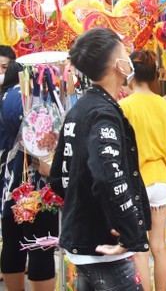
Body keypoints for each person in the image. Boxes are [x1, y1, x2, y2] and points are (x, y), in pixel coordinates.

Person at [50, 28, 150, 291]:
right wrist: (129, 233)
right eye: (126, 54)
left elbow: (59, 179)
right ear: (118, 65)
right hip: (103, 248)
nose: (130, 61)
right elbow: (109, 177)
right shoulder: (103, 113)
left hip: (86, 240)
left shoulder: (80, 108)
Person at [119, 50, 166, 291]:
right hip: (160, 182)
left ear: (129, 74)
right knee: (159, 246)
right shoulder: (164, 104)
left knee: (140, 249)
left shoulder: (123, 106)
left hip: (136, 185)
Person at [0, 60, 58, 291]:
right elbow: (44, 141)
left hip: (7, 181)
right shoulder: (33, 99)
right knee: (40, 245)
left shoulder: (4, 96)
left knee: (12, 242)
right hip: (34, 180)